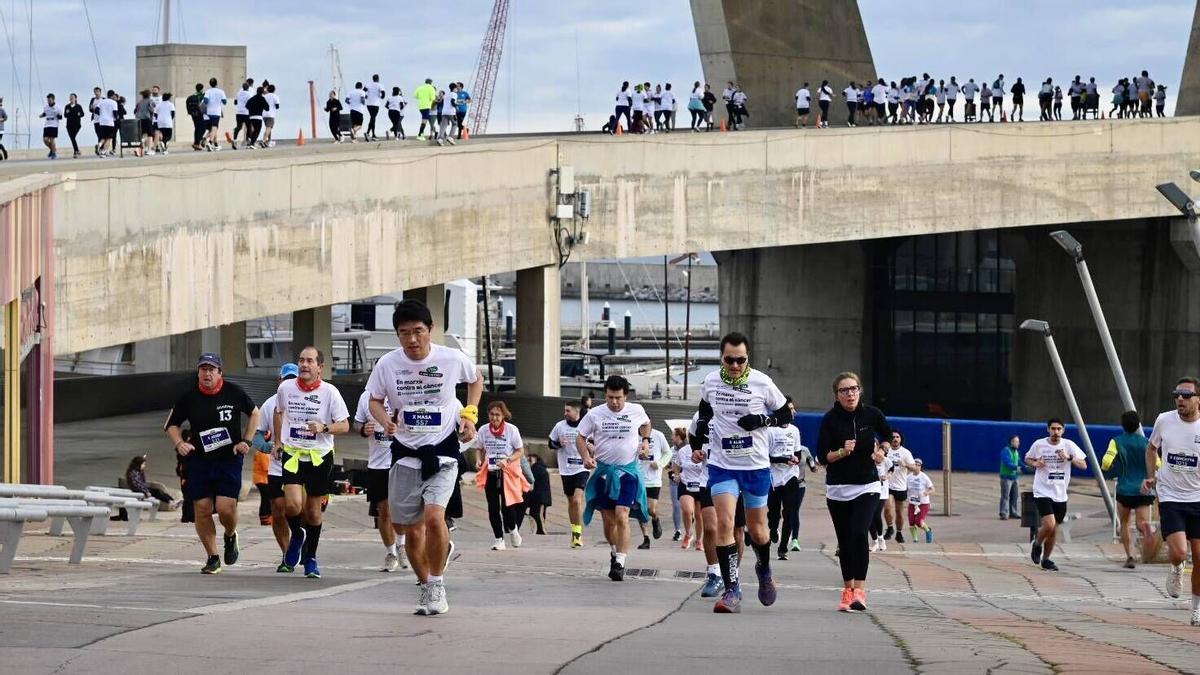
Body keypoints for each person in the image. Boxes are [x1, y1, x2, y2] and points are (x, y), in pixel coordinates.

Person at [366, 298, 482, 616]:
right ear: (397, 335)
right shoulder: (387, 365)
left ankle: (438, 582)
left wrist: (469, 415)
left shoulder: (451, 358)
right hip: (405, 452)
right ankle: (427, 585)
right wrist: (383, 420)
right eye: (405, 333)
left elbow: (475, 379)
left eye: (419, 331)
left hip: (443, 449)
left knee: (434, 518)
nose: (413, 340)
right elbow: (375, 399)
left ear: (430, 330)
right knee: (408, 529)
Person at [690, 332, 791, 613]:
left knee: (759, 531)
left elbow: (787, 414)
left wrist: (763, 419)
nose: (735, 365)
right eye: (729, 360)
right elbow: (705, 407)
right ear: (721, 358)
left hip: (755, 466)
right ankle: (732, 589)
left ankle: (765, 569)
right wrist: (702, 429)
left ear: (749, 359)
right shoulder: (711, 381)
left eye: (740, 360)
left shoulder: (762, 382)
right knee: (724, 523)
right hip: (722, 465)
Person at [164, 353, 261, 574]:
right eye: (203, 369)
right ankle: (213, 557)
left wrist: (246, 440)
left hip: (228, 458)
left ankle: (230, 535)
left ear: (219, 373)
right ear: (198, 372)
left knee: (226, 509)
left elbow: (255, 413)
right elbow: (171, 424)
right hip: (200, 460)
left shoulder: (234, 392)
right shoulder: (188, 397)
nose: (207, 374)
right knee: (202, 508)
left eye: (211, 370)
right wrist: (179, 443)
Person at [271, 346, 350, 579]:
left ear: (320, 367)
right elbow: (278, 411)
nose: (304, 365)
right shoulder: (286, 387)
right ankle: (297, 534)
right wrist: (278, 441)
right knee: (292, 505)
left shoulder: (330, 392)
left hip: (319, 456)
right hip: (293, 453)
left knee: (313, 512)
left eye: (310, 361)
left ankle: (311, 558)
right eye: (301, 360)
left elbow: (345, 425)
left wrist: (324, 427)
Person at [818, 371, 893, 612]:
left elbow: (888, 435)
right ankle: (847, 590)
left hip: (868, 485)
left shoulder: (872, 414)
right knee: (845, 540)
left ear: (860, 391)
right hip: (838, 488)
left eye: (853, 389)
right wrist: (842, 451)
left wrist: (883, 451)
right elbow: (822, 457)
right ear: (836, 395)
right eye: (844, 390)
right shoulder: (830, 419)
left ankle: (860, 590)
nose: (850, 394)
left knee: (859, 533)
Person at [576, 375, 652, 582]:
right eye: (610, 397)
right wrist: (585, 457)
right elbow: (580, 436)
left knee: (622, 515)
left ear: (625, 396)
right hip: (604, 472)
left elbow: (646, 424)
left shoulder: (636, 410)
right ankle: (613, 550)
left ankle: (620, 561)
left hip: (628, 472)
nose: (614, 402)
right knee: (609, 521)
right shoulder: (595, 414)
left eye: (618, 398)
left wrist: (645, 440)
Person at [1142, 377, 1200, 626]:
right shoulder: (1164, 420)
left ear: (1198, 399)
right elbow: (1151, 448)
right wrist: (1151, 477)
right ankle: (1177, 567)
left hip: (1198, 497)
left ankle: (1196, 608)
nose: (1180, 399)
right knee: (1179, 552)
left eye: (1186, 396)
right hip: (1171, 496)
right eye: (1177, 395)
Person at [354, 386, 408, 573]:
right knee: (383, 510)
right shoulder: (366, 397)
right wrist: (363, 429)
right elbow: (356, 423)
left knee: (399, 510)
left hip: (402, 461)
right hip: (377, 464)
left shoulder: (403, 392)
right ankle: (391, 552)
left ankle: (402, 543)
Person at [1025, 418, 1087, 572]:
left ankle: (1046, 559)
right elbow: (1027, 458)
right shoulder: (1039, 444)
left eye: (1059, 429)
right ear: (1048, 430)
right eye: (1053, 429)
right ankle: (1037, 544)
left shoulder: (1069, 445)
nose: (1056, 432)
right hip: (1042, 490)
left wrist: (1069, 458)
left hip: (1060, 493)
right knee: (1049, 524)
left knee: (1054, 529)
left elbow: (1084, 465)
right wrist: (1035, 464)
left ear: (1063, 430)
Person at [1102, 410, 1159, 568]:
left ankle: (1131, 556)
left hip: (1124, 489)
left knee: (1125, 523)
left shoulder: (1116, 441)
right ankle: (1146, 528)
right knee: (1141, 521)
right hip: (1143, 488)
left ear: (1122, 425)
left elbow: (1106, 462)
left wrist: (1108, 467)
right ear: (1138, 425)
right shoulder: (1146, 442)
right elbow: (1158, 463)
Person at [252, 363, 297, 559]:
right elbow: (257, 435)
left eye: (292, 379)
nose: (288, 383)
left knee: (298, 509)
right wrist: (268, 447)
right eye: (285, 379)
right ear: (279, 381)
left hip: (302, 465)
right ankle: (286, 553)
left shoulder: (304, 401)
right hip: (277, 467)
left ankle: (300, 542)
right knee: (278, 511)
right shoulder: (269, 404)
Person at [677, 414, 723, 598]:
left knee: (735, 529)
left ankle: (732, 577)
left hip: (735, 474)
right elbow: (693, 436)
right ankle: (714, 573)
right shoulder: (700, 416)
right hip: (706, 479)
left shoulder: (738, 406)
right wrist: (696, 450)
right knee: (710, 527)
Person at [472, 400, 528, 549]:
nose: (494, 418)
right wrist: (478, 460)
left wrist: (508, 459)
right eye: (491, 414)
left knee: (507, 506)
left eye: (497, 415)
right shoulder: (483, 430)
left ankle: (513, 529)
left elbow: (520, 451)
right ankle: (498, 539)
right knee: (493, 506)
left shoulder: (511, 430)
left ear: (504, 415)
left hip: (507, 471)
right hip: (490, 470)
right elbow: (479, 448)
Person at [767, 405, 812, 560]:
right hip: (774, 476)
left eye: (794, 409)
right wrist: (783, 459)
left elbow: (798, 452)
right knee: (774, 513)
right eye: (790, 409)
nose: (794, 412)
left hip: (790, 475)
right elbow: (767, 457)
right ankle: (773, 528)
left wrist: (795, 458)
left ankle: (783, 547)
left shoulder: (794, 430)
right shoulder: (770, 430)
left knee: (790, 513)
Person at [548, 402, 587, 548]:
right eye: (565, 410)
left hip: (582, 468)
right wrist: (558, 443)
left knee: (577, 500)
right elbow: (550, 444)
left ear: (577, 411)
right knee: (571, 502)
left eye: (568, 410)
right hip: (566, 468)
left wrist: (591, 448)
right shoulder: (560, 426)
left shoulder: (585, 425)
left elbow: (595, 443)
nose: (565, 413)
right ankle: (574, 532)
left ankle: (578, 535)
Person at [635, 425, 672, 549]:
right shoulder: (633, 435)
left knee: (651, 510)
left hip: (653, 479)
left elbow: (668, 453)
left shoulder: (658, 435)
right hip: (637, 478)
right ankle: (646, 538)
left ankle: (655, 519)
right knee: (640, 510)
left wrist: (660, 464)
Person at [883, 430, 916, 542]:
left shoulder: (906, 452)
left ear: (901, 439)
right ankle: (890, 528)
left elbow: (915, 468)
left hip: (901, 486)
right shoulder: (885, 451)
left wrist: (905, 464)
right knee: (887, 508)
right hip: (887, 485)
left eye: (897, 437)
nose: (895, 439)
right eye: (893, 437)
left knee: (899, 512)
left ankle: (899, 533)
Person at [869, 442, 892, 552]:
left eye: (874, 446)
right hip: (869, 491)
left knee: (876, 514)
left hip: (882, 493)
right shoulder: (868, 459)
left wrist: (887, 476)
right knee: (868, 517)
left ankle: (881, 538)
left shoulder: (885, 460)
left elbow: (891, 469)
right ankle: (874, 541)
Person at [906, 459, 934, 542]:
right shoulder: (908, 477)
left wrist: (926, 493)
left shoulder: (924, 477)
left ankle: (928, 531)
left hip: (923, 503)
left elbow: (932, 489)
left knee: (918, 521)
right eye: (915, 464)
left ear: (921, 467)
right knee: (911, 521)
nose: (916, 466)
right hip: (912, 503)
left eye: (918, 465)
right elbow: (905, 488)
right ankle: (915, 539)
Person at [998, 435, 1023, 520]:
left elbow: (1019, 461)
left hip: (1015, 477)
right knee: (1005, 496)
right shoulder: (1005, 451)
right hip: (1006, 477)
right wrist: (1017, 467)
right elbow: (1007, 463)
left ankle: (1013, 512)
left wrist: (1025, 466)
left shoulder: (1016, 452)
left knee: (1015, 496)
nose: (1018, 443)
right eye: (1016, 441)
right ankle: (1003, 513)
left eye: (1018, 441)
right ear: (1011, 442)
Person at [526, 454, 551, 534]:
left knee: (537, 514)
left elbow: (530, 479)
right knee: (537, 513)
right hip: (540, 496)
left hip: (539, 496)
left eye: (530, 460)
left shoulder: (536, 468)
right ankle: (539, 530)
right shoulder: (541, 468)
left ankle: (541, 530)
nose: (528, 462)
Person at [202, 78, 227, 152]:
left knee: (212, 129)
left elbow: (205, 101)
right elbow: (225, 102)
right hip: (217, 112)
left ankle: (211, 141)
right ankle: (210, 142)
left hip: (209, 112)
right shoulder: (221, 91)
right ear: (216, 84)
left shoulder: (208, 91)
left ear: (210, 84)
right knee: (215, 128)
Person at [39, 93, 61, 159]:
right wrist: (41, 115)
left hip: (54, 124)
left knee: (52, 140)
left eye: (50, 100)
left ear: (53, 100)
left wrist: (57, 115)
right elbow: (45, 113)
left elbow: (60, 117)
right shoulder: (46, 107)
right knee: (45, 140)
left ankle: (54, 153)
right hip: (47, 124)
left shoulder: (57, 107)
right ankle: (52, 150)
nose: (49, 101)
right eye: (48, 100)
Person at [231, 80, 252, 149]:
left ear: (242, 87)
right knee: (249, 127)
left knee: (239, 127)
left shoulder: (238, 93)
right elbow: (250, 103)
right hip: (246, 113)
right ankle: (248, 140)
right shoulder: (249, 94)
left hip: (239, 112)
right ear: (248, 88)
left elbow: (235, 102)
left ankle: (234, 140)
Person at [63, 93, 84, 158]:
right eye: (70, 97)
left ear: (75, 98)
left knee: (72, 138)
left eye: (72, 97)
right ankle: (76, 151)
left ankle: (76, 151)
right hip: (69, 125)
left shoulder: (78, 106)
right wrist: (67, 113)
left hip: (77, 125)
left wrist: (79, 114)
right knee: (72, 138)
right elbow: (65, 116)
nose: (71, 98)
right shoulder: (67, 106)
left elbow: (82, 114)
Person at [185, 83, 205, 151]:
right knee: (202, 129)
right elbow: (202, 105)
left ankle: (196, 143)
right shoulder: (201, 95)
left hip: (193, 114)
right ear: (202, 89)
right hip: (199, 114)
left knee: (197, 128)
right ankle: (197, 143)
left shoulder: (192, 96)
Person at [365, 74, 384, 141]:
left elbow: (363, 90)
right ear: (378, 79)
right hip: (375, 104)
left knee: (372, 118)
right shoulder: (379, 85)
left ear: (373, 79)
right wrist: (381, 97)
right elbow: (383, 93)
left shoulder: (368, 84)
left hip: (369, 104)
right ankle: (368, 133)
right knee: (373, 118)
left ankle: (372, 134)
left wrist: (366, 96)